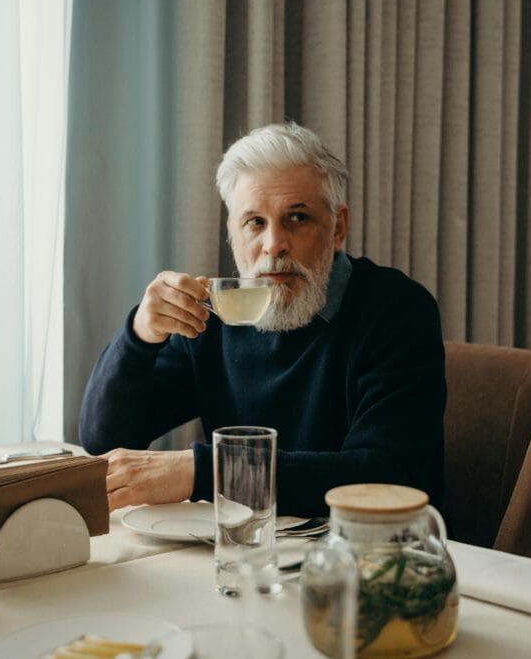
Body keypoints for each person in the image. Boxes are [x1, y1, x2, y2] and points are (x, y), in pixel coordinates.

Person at [80, 122, 446, 516]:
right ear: (232, 233)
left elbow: (387, 475)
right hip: (242, 542)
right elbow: (104, 438)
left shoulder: (397, 310)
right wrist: (141, 335)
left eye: (297, 218)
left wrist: (206, 471)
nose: (274, 245)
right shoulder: (213, 315)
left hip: (361, 546)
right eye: (255, 222)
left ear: (338, 228)